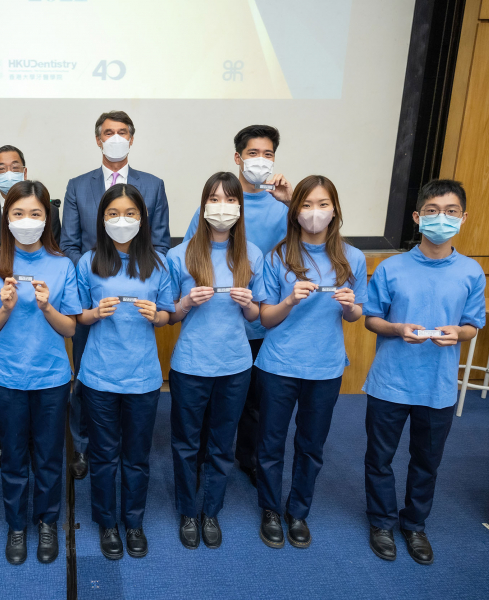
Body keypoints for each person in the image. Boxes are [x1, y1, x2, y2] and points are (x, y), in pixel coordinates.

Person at [362, 179, 485, 565]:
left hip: (438, 385)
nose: (441, 218)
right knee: (379, 458)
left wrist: (458, 333)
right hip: (390, 382)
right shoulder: (391, 267)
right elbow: (371, 319)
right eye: (432, 211)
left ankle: (414, 524)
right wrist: (397, 328)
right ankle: (381, 522)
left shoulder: (471, 272)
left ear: (463, 217)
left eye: (450, 211)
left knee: (426, 461)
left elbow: (472, 325)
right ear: (417, 217)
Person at [255, 175, 367, 549]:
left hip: (325, 366)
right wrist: (289, 300)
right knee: (270, 443)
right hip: (278, 366)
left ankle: (298, 511)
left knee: (311, 445)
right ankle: (270, 510)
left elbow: (356, 315)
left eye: (322, 204)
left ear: (335, 210)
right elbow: (265, 318)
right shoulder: (277, 256)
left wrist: (349, 306)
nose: (314, 212)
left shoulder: (353, 257)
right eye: (306, 205)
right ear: (295, 211)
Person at [0, 180, 80, 565]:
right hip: (6, 377)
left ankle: (47, 522)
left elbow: (70, 328)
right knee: (14, 456)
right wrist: (4, 307)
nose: (27, 220)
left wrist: (48, 307)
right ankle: (16, 526)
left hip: (51, 377)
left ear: (47, 218)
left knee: (49, 456)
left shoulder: (62, 265)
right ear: (7, 218)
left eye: (35, 213)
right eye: (18, 213)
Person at [61, 110, 171, 481]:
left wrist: (134, 275)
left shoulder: (153, 184)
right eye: (108, 132)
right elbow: (70, 242)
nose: (115, 138)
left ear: (132, 138)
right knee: (87, 377)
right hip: (94, 292)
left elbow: (160, 241)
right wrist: (96, 277)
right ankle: (83, 445)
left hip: (139, 287)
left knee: (130, 394)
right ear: (98, 139)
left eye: (122, 131)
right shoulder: (78, 185)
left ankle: (127, 446)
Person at [183, 125, 292, 487]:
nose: (260, 160)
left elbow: (310, 241)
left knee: (254, 403)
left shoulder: (283, 207)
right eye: (253, 153)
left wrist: (291, 203)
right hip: (214, 323)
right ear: (238, 158)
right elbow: (190, 256)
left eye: (268, 154)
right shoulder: (214, 206)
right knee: (209, 406)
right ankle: (201, 461)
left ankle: (248, 460)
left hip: (259, 319)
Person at [166, 172, 265, 549]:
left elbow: (257, 317)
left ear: (240, 207)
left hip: (235, 366)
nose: (222, 207)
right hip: (190, 365)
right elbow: (169, 316)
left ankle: (211, 511)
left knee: (222, 444)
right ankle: (187, 511)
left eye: (230, 200)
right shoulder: (180, 255)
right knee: (186, 444)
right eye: (214, 199)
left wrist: (249, 304)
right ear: (203, 205)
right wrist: (186, 302)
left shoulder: (251, 254)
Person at [76, 183, 173, 560]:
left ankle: (133, 522)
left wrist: (158, 316)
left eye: (130, 213)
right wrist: (93, 313)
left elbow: (167, 314)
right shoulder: (88, 262)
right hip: (99, 374)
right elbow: (77, 315)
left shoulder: (158, 263)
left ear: (142, 218)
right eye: (113, 214)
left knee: (136, 456)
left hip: (143, 376)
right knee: (103, 455)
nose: (122, 220)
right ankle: (107, 523)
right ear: (101, 219)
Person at [0, 145, 61, 475]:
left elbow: (54, 250)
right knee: (1, 395)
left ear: (25, 170)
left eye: (15, 166)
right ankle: (2, 443)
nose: (9, 172)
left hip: (41, 327)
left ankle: (32, 446)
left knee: (43, 419)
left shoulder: (50, 214)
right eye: (1, 167)